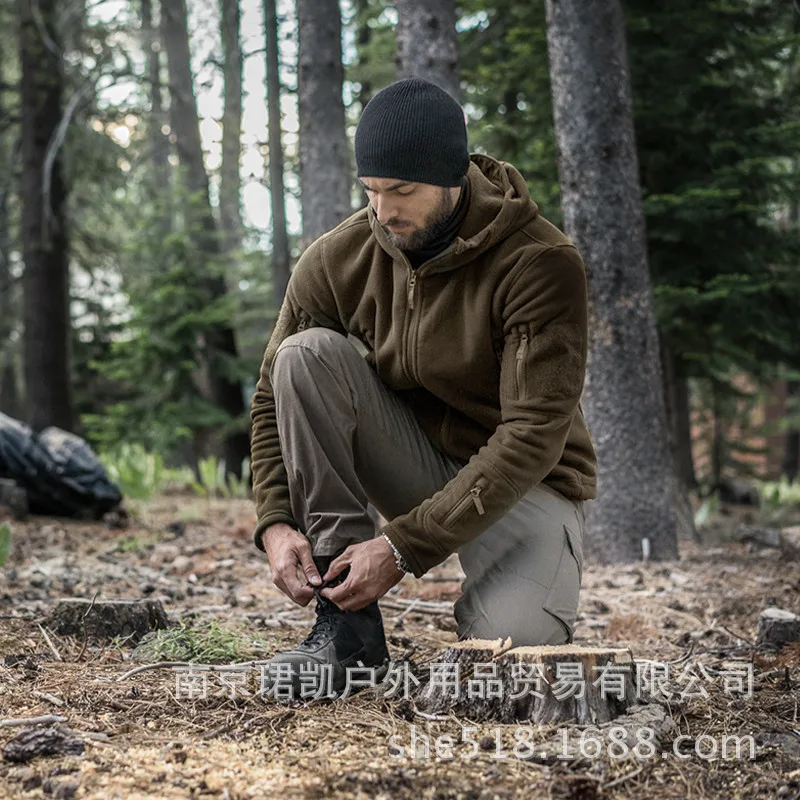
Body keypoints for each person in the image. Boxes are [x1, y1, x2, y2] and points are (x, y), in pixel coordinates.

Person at [250, 77, 597, 697]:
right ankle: (348, 628)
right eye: (372, 190)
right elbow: (269, 398)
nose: (383, 211)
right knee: (304, 358)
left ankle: (509, 601)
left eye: (402, 190)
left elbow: (532, 435)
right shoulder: (337, 259)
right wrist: (275, 522)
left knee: (509, 667)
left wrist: (402, 547)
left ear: (451, 175)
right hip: (412, 464)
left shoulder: (540, 263)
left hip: (524, 491)